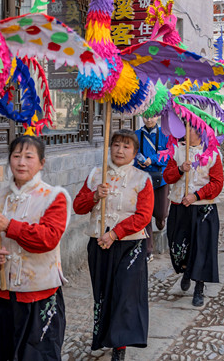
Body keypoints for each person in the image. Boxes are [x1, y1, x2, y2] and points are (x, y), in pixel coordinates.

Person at [0, 135, 70, 361]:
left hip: (39, 295)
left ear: (41, 163)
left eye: (28, 157)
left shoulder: (54, 197)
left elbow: (49, 238)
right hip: (4, 295)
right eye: (16, 156)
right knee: (4, 354)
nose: (21, 162)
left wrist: (10, 226)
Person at [74, 129, 154, 361]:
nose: (120, 150)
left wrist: (116, 233)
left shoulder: (142, 179)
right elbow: (78, 206)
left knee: (125, 294)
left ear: (135, 152)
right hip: (98, 243)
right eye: (116, 145)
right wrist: (94, 196)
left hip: (130, 244)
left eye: (126, 146)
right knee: (103, 293)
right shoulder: (96, 175)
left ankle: (120, 346)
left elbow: (143, 216)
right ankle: (102, 337)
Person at [164, 124, 224, 307]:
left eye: (189, 128)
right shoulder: (176, 151)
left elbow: (217, 183)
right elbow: (167, 177)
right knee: (177, 245)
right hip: (180, 206)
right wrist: (181, 169)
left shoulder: (213, 154)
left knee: (201, 248)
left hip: (203, 208)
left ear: (199, 132)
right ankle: (185, 271)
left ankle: (199, 286)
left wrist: (196, 196)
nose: (183, 131)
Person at [134, 116, 169, 259]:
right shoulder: (136, 135)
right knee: (145, 214)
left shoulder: (165, 135)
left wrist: (152, 160)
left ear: (158, 116)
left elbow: (169, 155)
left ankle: (161, 223)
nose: (149, 120)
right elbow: (132, 153)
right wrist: (139, 162)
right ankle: (148, 251)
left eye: (152, 116)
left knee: (160, 213)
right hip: (142, 180)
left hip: (161, 179)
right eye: (146, 116)